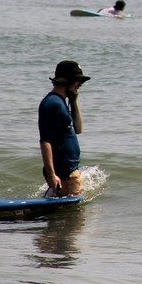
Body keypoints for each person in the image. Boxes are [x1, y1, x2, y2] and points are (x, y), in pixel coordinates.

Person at [39, 60, 89, 196]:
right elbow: (45, 141)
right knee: (73, 216)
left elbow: (78, 129)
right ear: (67, 81)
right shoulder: (53, 104)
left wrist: (74, 101)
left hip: (70, 171)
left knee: (69, 214)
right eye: (78, 80)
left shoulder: (61, 102)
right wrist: (51, 174)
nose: (80, 84)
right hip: (65, 173)